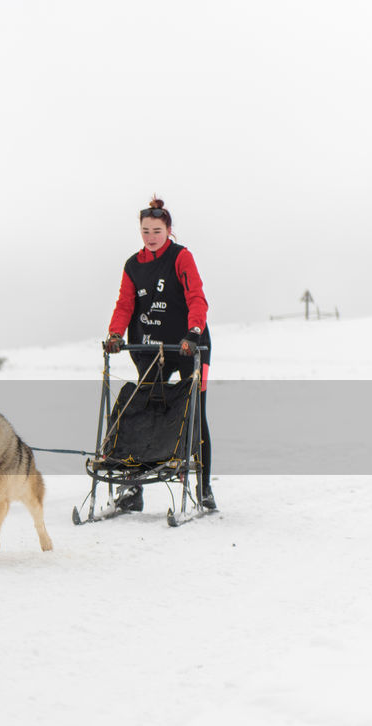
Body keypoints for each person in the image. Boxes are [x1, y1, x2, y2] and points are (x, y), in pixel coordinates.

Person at [102, 197, 215, 511]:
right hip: (150, 348)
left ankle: (203, 488)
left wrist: (193, 332)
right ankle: (133, 490)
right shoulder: (133, 265)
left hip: (190, 347)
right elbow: (125, 305)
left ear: (168, 230)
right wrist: (115, 333)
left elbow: (196, 297)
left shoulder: (181, 257)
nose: (151, 236)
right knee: (143, 414)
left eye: (156, 230)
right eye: (145, 230)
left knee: (195, 413)